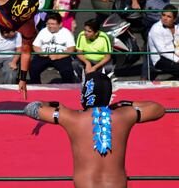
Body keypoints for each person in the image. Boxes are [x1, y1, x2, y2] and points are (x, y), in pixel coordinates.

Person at [24, 72, 165, 187]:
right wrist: (126, 103)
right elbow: (158, 109)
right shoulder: (125, 115)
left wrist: (53, 103)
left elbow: (31, 108)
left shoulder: (71, 117)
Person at [131, 0, 170, 80]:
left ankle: (145, 77)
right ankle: (150, 70)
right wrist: (134, 1)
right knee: (149, 47)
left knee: (150, 47)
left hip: (160, 20)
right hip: (148, 19)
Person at [29, 13, 75, 83]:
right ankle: (36, 86)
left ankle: (67, 88)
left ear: (60, 24)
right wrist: (40, 52)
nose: (50, 26)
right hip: (44, 55)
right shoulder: (43, 31)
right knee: (33, 68)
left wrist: (58, 56)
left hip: (61, 56)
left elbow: (71, 49)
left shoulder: (66, 32)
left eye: (53, 24)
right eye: (48, 24)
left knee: (67, 70)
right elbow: (35, 46)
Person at [148, 4, 179, 79]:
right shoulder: (156, 29)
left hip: (175, 55)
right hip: (161, 58)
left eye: (169, 16)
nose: (165, 18)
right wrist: (177, 59)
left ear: (174, 19)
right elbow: (162, 51)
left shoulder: (177, 27)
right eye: (163, 15)